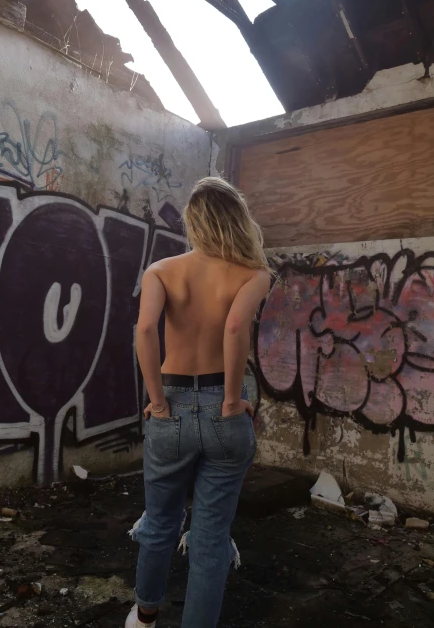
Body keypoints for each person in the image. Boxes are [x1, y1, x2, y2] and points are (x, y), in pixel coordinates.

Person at [125, 176, 271, 628]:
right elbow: (234, 331)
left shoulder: (162, 271)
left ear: (193, 222)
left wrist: (157, 403)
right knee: (210, 537)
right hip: (222, 407)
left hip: (169, 403)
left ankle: (146, 614)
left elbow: (145, 330)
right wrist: (231, 401)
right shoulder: (254, 273)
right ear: (236, 221)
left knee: (160, 522)